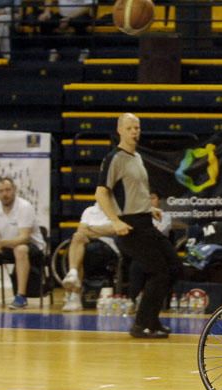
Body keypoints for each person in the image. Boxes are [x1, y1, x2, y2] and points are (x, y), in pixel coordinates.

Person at [95, 113, 180, 338]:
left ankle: (151, 320)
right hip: (130, 226)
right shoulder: (115, 158)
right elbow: (101, 192)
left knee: (173, 265)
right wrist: (115, 221)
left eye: (137, 127)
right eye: (130, 128)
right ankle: (142, 324)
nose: (135, 131)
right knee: (159, 272)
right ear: (120, 130)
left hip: (145, 220)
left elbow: (134, 192)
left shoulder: (137, 157)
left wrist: (149, 208)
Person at [0, 177, 46, 309]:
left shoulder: (24, 206)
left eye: (7, 190)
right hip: (5, 245)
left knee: (20, 249)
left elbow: (24, 238)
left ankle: (21, 296)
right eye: (1, 191)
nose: (4, 194)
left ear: (14, 190)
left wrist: (3, 242)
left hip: (32, 247)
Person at [61, 202, 116, 312]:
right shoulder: (89, 210)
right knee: (77, 237)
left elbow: (114, 230)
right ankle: (73, 274)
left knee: (79, 251)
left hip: (108, 247)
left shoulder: (117, 208)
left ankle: (74, 295)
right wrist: (102, 230)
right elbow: (81, 231)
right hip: (86, 244)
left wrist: (90, 229)